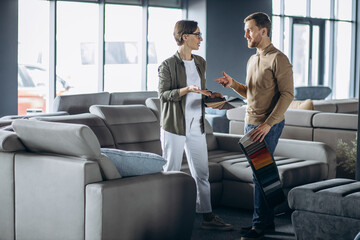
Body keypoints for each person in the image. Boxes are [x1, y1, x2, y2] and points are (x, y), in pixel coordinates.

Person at [215, 12, 294, 240]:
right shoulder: (252, 59)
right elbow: (251, 94)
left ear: (263, 31)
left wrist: (269, 124)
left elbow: (288, 95)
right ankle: (265, 222)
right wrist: (233, 85)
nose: (245, 34)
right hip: (250, 124)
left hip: (266, 125)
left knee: (261, 173)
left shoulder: (278, 59)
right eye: (245, 30)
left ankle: (259, 225)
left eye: (249, 29)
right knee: (260, 172)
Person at [158, 20, 233, 231]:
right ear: (185, 37)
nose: (201, 39)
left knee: (201, 173)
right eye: (198, 35)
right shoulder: (167, 65)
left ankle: (208, 216)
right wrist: (186, 90)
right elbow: (163, 96)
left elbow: (199, 91)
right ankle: (166, 216)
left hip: (197, 125)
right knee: (170, 171)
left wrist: (213, 96)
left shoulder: (200, 62)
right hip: (174, 126)